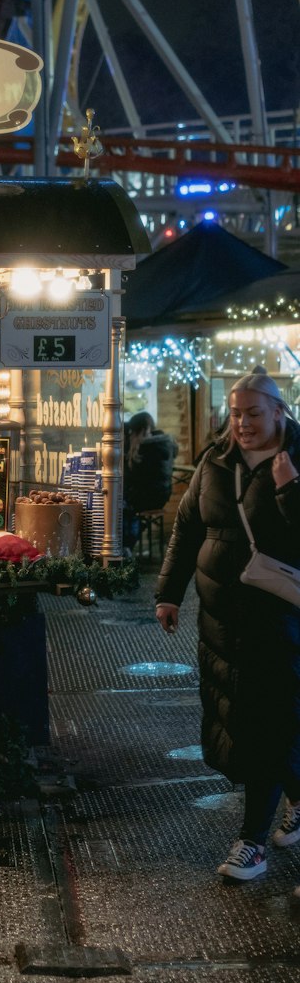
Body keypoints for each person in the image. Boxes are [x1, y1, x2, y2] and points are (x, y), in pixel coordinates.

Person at [156, 367, 300, 893]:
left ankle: (252, 841)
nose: (241, 424)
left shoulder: (294, 461)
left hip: (281, 618)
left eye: (253, 414)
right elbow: (189, 526)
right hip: (222, 621)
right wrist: (169, 593)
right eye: (235, 414)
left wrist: (289, 491)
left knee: (268, 722)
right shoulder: (216, 461)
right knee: (243, 720)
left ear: (279, 411)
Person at [123, 411, 177, 551]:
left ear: (141, 431)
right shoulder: (161, 443)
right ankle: (127, 544)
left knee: (119, 505)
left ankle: (126, 545)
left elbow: (133, 476)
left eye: (132, 432)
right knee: (121, 502)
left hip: (149, 496)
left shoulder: (148, 447)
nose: (130, 435)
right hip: (160, 495)